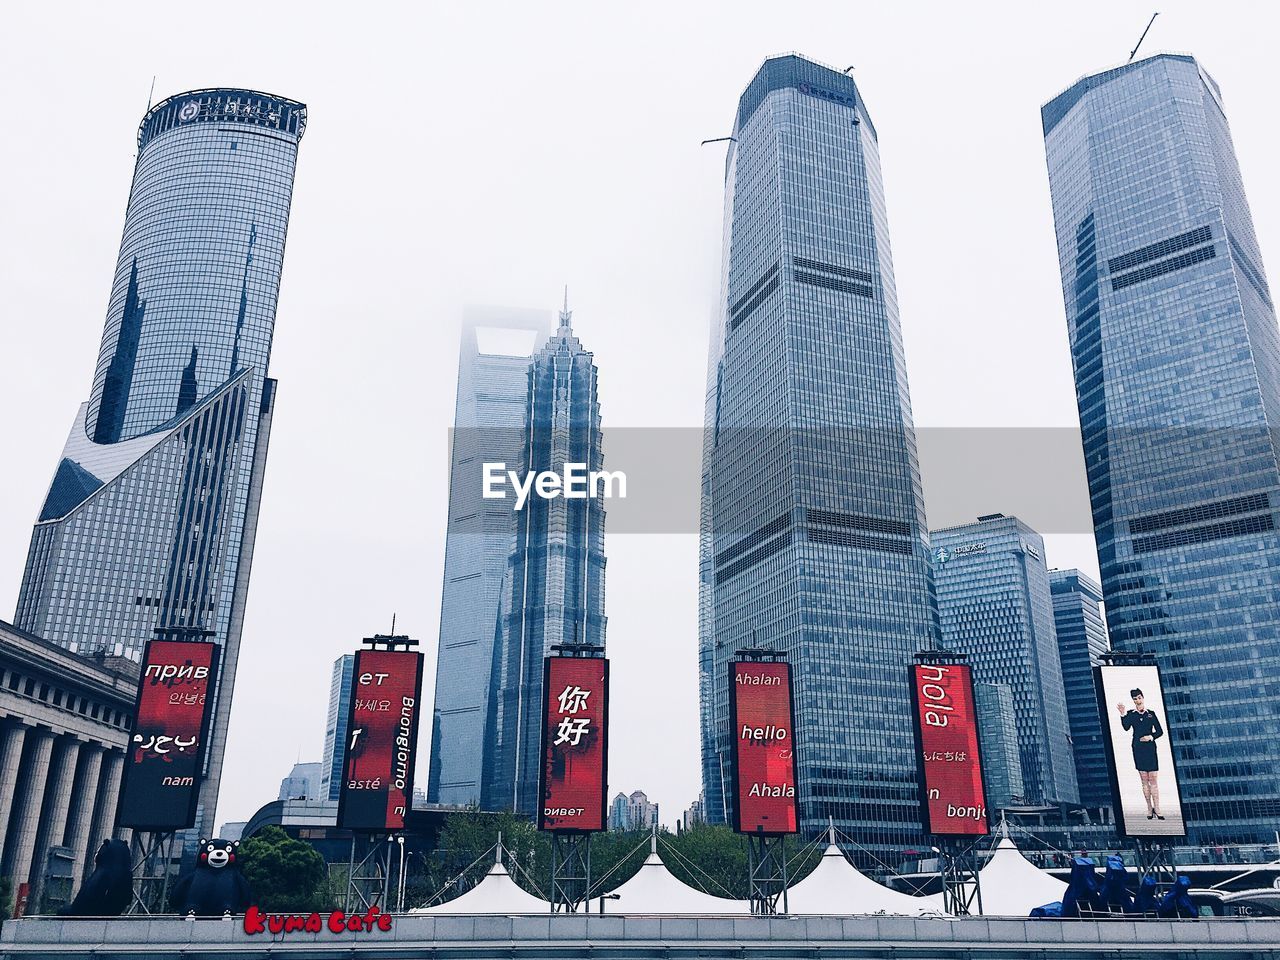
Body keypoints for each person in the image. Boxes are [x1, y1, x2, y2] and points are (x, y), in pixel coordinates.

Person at [1116, 688, 1165, 820]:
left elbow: (1160, 731)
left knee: (1153, 779)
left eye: (1139, 698)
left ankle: (1158, 808)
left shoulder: (1151, 714)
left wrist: (1151, 737)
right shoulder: (1132, 714)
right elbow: (1126, 727)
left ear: (1143, 697)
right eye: (1135, 699)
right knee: (1144, 779)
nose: (1137, 700)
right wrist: (1122, 714)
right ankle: (1149, 808)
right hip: (1138, 748)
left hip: (1150, 747)